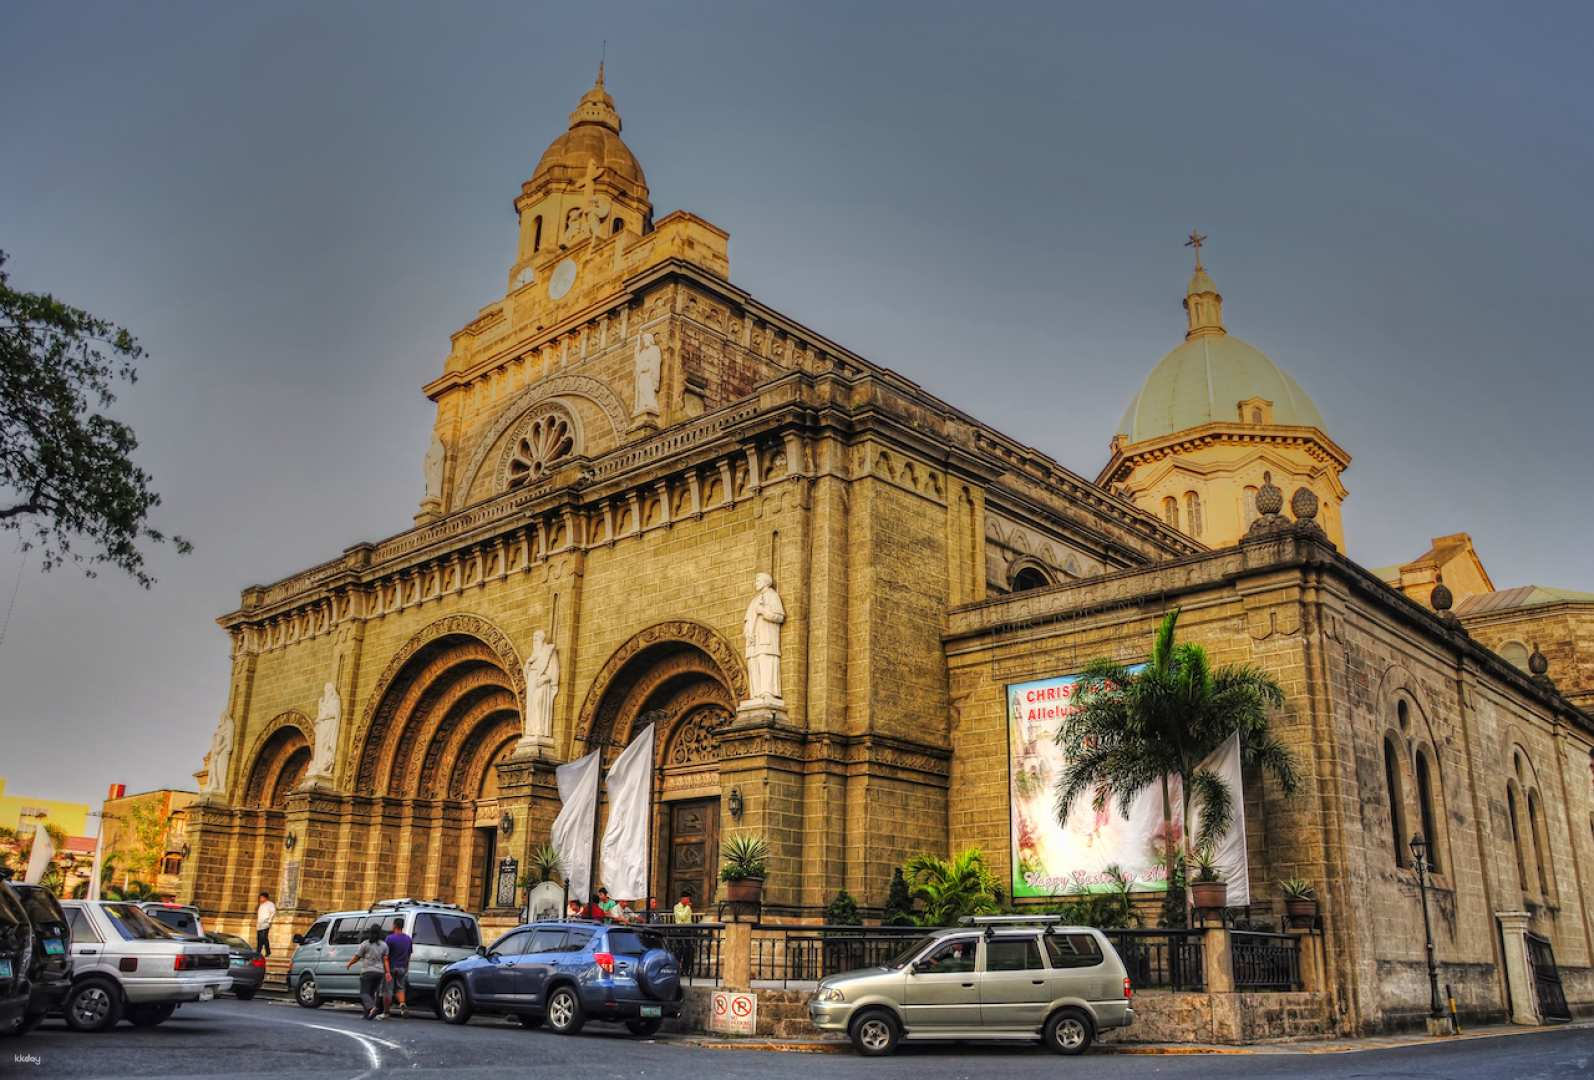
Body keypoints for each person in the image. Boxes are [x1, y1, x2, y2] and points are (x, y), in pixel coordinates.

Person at [346, 924, 390, 1021]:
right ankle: (367, 1014)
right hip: (379, 972)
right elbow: (386, 960)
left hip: (367, 971)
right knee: (372, 993)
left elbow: (357, 956)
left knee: (364, 993)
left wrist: (349, 964)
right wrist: (387, 972)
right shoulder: (384, 945)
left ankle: (371, 1007)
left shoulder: (365, 944)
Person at [383, 917, 412, 1019]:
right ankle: (402, 1005)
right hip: (402, 968)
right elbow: (408, 956)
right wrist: (406, 968)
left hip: (391, 968)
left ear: (394, 925)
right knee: (400, 988)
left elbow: (385, 955)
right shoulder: (408, 939)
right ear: (402, 926)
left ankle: (386, 1012)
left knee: (388, 990)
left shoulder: (389, 938)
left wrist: (386, 971)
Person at [256, 891, 276, 957]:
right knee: (259, 939)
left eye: (261, 898)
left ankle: (267, 952)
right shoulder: (261, 905)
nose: (260, 899)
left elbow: (273, 912)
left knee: (264, 938)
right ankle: (258, 951)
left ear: (265, 898)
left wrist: (269, 920)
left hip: (265, 924)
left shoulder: (270, 904)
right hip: (259, 924)